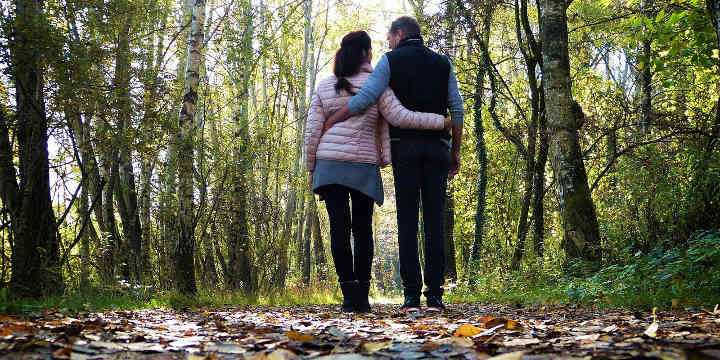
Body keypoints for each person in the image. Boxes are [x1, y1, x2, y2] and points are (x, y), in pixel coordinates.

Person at [324, 16, 465, 314]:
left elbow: (365, 98)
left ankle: (412, 295)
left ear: (399, 34)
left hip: (406, 151)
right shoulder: (443, 63)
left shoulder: (390, 61)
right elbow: (457, 109)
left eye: (389, 37)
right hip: (438, 148)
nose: (387, 43)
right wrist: (455, 150)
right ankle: (436, 295)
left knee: (408, 221)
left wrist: (334, 119)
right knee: (435, 222)